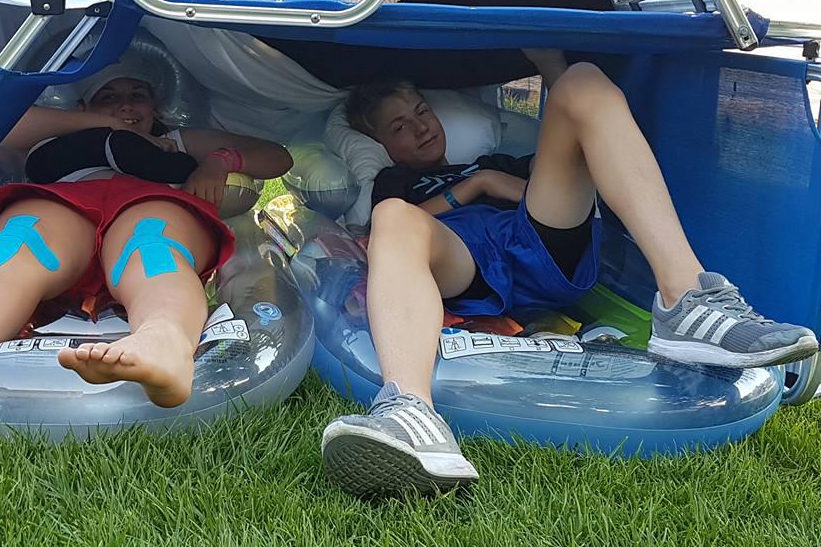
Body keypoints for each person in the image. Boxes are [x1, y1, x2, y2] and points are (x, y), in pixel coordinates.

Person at [320, 51, 819, 497]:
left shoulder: (493, 160)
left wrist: (492, 172)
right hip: (462, 257)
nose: (421, 127)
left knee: (582, 81)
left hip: (537, 241)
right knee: (392, 216)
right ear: (379, 143)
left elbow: (559, 181)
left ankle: (688, 300)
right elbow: (386, 238)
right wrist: (471, 189)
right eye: (399, 127)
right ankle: (410, 410)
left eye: (422, 112)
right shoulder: (395, 181)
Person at [0, 58, 292, 408]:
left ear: (157, 106)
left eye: (138, 94)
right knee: (17, 242)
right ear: (84, 105)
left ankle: (164, 342)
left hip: (148, 205)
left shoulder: (174, 141)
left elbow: (278, 156)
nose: (126, 104)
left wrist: (219, 162)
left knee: (154, 249)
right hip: (64, 207)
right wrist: (99, 123)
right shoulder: (52, 134)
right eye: (109, 95)